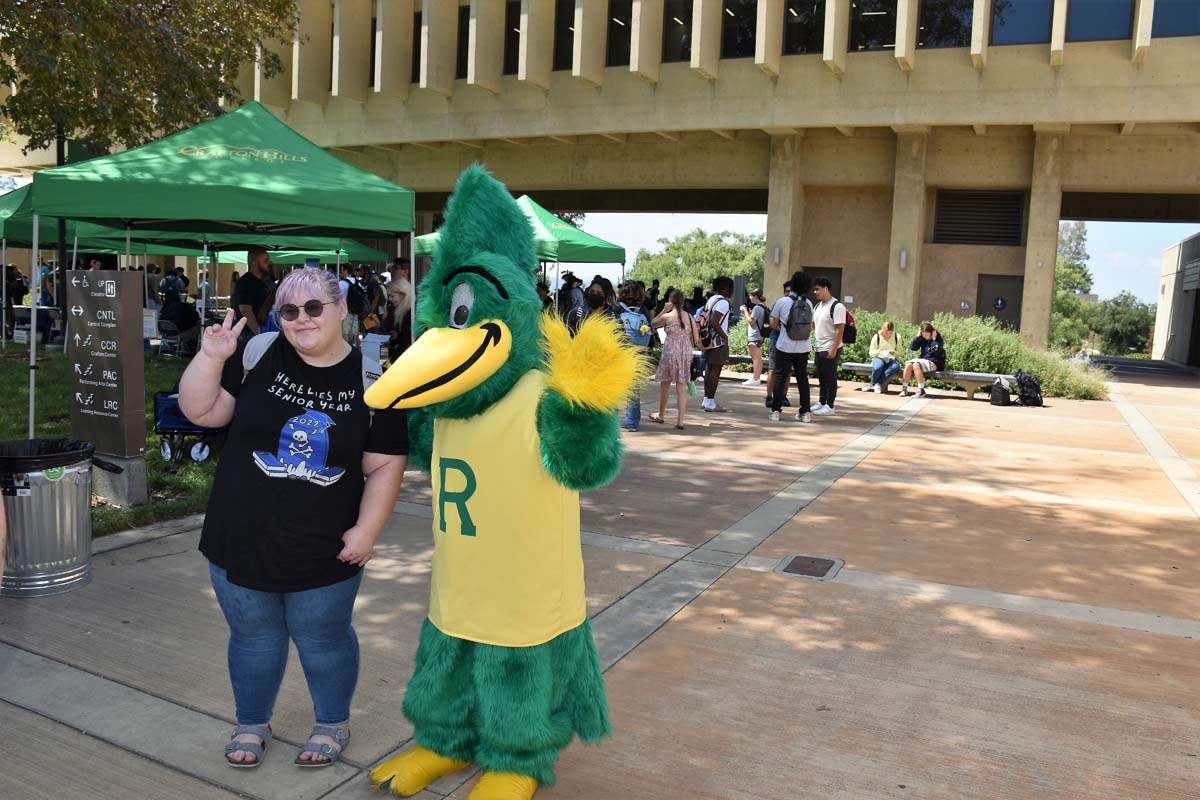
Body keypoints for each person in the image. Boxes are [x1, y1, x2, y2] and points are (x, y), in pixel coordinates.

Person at [178, 267, 409, 769]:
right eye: (288, 310)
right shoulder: (258, 353)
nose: (301, 320)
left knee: (323, 638)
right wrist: (210, 357)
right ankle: (251, 721)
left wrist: (366, 530)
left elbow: (386, 463)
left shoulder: (377, 379)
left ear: (341, 310)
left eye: (313, 308)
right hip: (240, 533)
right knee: (253, 637)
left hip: (324, 544)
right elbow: (202, 411)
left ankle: (331, 722)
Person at [649, 289, 699, 429]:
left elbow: (653, 323)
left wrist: (664, 310)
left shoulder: (667, 317)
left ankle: (661, 414)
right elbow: (696, 338)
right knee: (681, 387)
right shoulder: (689, 317)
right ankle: (680, 421)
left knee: (665, 384)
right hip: (685, 352)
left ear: (670, 301)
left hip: (670, 351)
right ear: (683, 301)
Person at [767, 271, 814, 423]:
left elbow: (773, 323)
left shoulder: (782, 302)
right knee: (802, 378)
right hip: (803, 347)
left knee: (780, 377)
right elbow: (811, 326)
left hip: (785, 345)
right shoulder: (809, 303)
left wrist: (786, 331)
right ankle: (805, 412)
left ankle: (775, 411)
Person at [617, 281, 650, 431]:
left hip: (622, 351)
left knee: (616, 387)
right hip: (639, 352)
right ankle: (632, 422)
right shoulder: (643, 309)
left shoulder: (617, 309)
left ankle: (613, 419)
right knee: (634, 388)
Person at [811, 276, 846, 416]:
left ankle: (830, 405)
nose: (815, 292)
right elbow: (813, 326)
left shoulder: (837, 306)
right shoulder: (817, 306)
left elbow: (840, 329)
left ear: (826, 289)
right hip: (819, 347)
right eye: (814, 289)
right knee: (821, 376)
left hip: (831, 347)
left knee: (830, 377)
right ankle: (822, 402)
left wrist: (834, 348)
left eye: (818, 289)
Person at [700, 276, 733, 413]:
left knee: (709, 368)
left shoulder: (712, 299)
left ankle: (706, 399)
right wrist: (725, 338)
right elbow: (714, 322)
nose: (732, 291)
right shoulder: (723, 303)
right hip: (717, 340)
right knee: (716, 369)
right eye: (731, 288)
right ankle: (710, 402)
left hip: (707, 338)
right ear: (725, 288)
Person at [233, 247, 273, 338]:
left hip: (258, 332)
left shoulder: (260, 281)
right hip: (249, 334)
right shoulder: (246, 282)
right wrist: (258, 333)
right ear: (254, 262)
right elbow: (245, 310)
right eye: (265, 261)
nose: (269, 263)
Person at [900, 322, 946, 398]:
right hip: (923, 361)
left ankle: (921, 390)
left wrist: (934, 339)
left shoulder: (938, 339)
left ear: (932, 332)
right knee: (909, 365)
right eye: (923, 334)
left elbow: (936, 351)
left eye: (927, 334)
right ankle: (904, 388)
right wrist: (918, 336)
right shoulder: (922, 339)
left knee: (916, 364)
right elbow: (912, 347)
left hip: (935, 362)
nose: (925, 337)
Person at [764, 280, 791, 409]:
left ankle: (783, 396)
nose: (788, 294)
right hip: (776, 341)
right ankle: (769, 396)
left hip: (790, 343)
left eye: (790, 291)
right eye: (786, 291)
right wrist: (786, 332)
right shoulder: (779, 303)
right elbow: (772, 323)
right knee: (773, 370)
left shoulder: (797, 305)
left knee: (787, 372)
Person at [860, 320, 902, 393]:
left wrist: (894, 352)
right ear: (883, 329)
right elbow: (871, 353)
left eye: (890, 333)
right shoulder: (877, 336)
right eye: (886, 332)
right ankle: (872, 383)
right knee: (877, 367)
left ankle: (878, 383)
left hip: (891, 358)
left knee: (895, 367)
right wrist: (878, 351)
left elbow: (901, 353)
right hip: (879, 357)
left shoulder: (897, 337)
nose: (888, 335)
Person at [740, 288, 769, 386]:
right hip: (760, 335)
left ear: (756, 296)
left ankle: (756, 379)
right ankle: (756, 378)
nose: (750, 298)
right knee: (757, 357)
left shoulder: (757, 308)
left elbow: (751, 321)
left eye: (751, 296)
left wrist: (745, 311)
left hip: (755, 335)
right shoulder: (763, 306)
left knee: (755, 357)